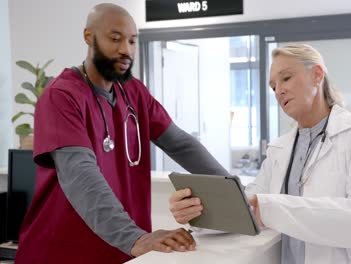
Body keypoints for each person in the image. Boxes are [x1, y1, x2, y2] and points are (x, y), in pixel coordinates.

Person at [14, 3, 229, 264]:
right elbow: (80, 174)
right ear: (88, 37)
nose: (126, 49)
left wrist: (234, 193)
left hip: (122, 252)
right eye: (115, 39)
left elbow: (181, 144)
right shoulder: (62, 95)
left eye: (132, 41)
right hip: (62, 252)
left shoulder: (134, 92)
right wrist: (134, 238)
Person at [169, 44, 351, 264]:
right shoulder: (280, 149)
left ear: (317, 75)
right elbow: (247, 210)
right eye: (273, 86)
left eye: (286, 78)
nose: (279, 90)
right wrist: (199, 211)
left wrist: (270, 208)